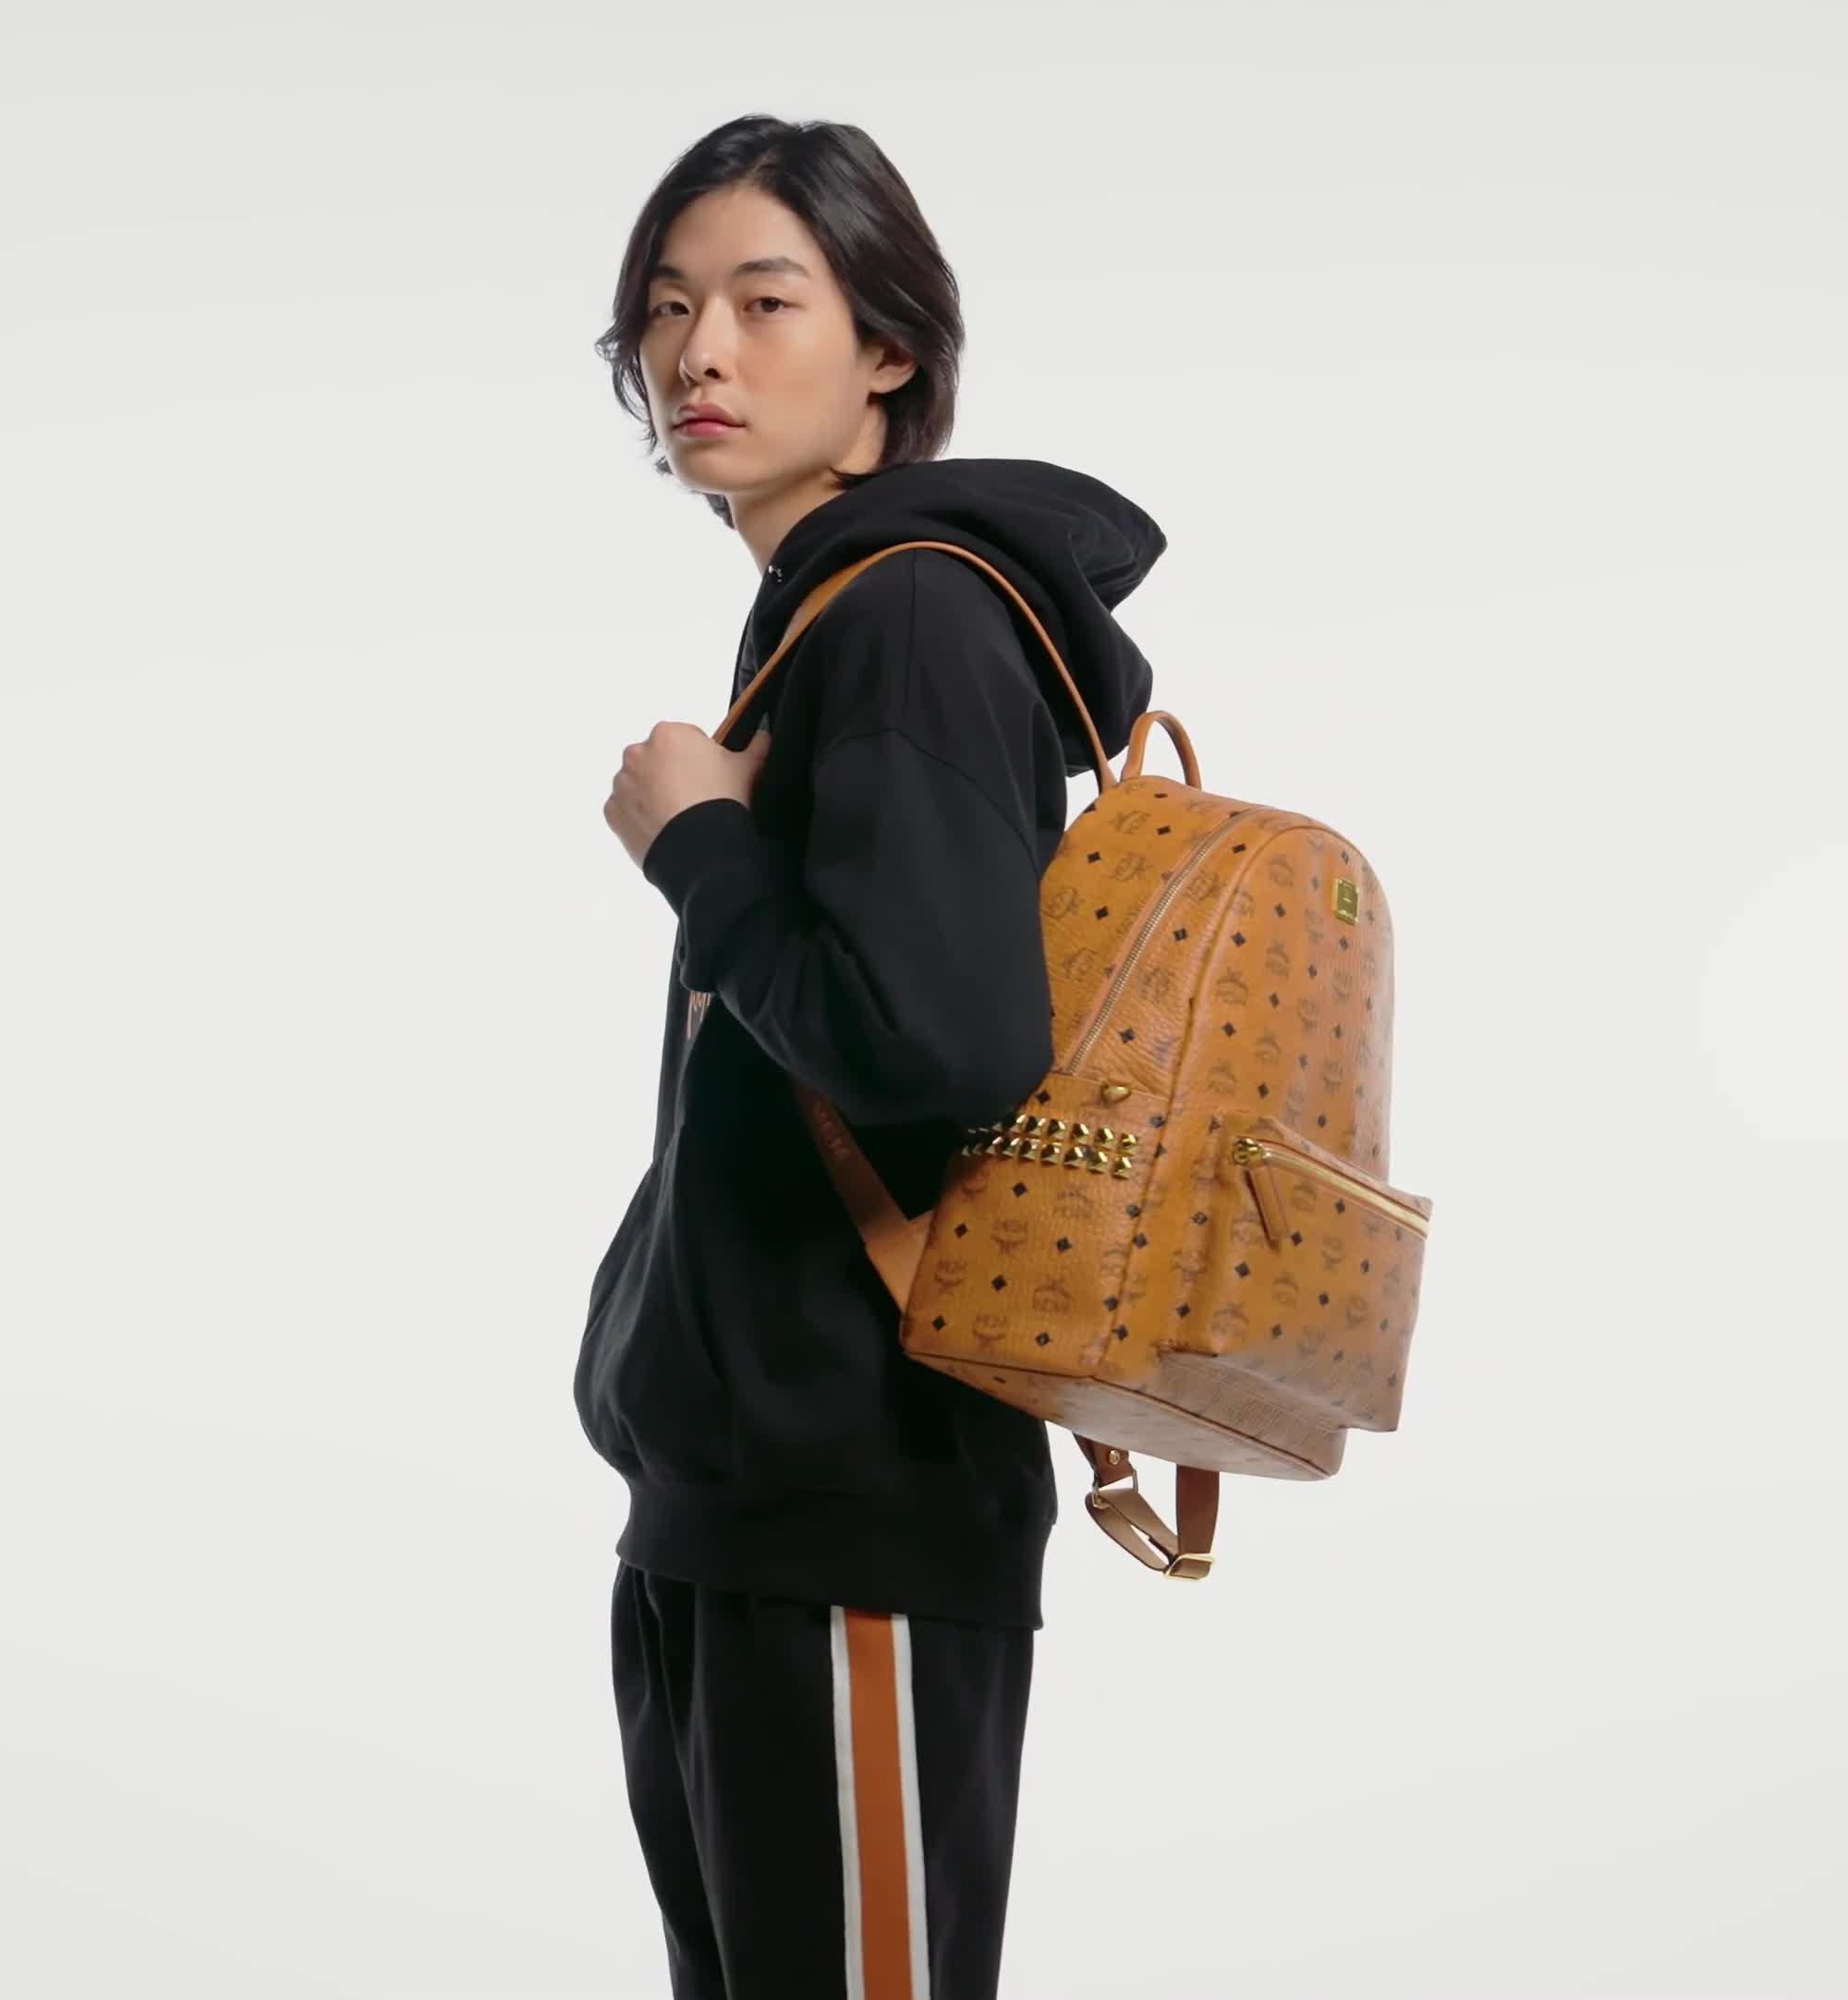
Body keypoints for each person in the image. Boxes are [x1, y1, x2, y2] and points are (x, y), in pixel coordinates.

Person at [574, 114, 1167, 2000]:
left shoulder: (912, 614)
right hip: (734, 1512)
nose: (699, 354)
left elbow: (943, 1046)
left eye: (765, 303)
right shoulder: (822, 625)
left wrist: (697, 843)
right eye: (667, 308)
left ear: (889, 350)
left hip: (857, 1520)